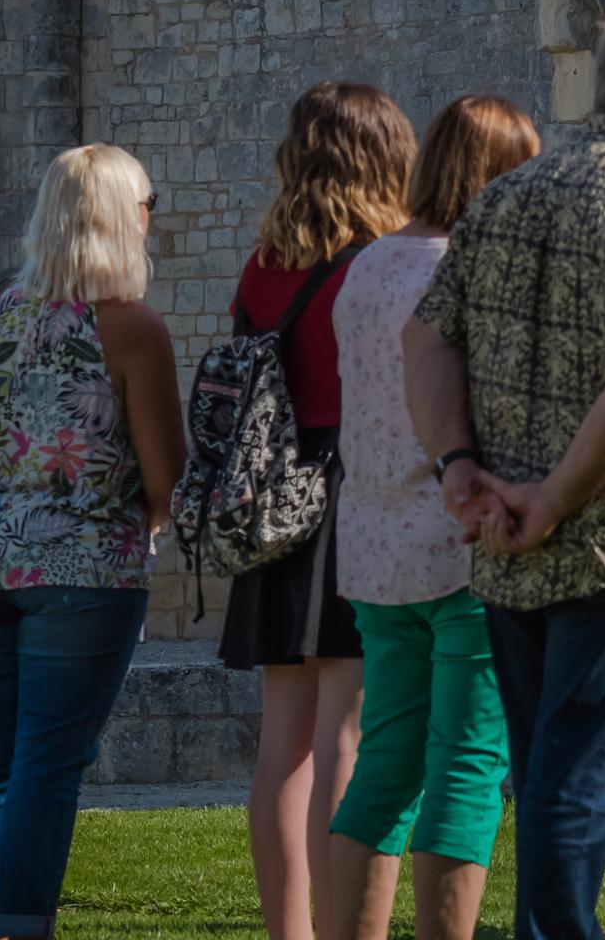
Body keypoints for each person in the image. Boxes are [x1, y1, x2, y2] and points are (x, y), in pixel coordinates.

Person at [404, 8, 605, 940]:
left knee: (549, 770)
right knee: (576, 776)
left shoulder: (508, 195)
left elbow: (425, 332)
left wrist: (460, 468)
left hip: (506, 534)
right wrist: (551, 499)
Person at [0, 143, 185, 940]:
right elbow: (165, 475)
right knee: (48, 761)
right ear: (122, 217)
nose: (152, 217)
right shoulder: (131, 328)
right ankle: (21, 928)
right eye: (147, 203)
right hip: (83, 570)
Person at [325, 95, 541, 940]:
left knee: (385, 761)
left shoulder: (367, 266)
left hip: (374, 548)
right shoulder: (474, 266)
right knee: (467, 763)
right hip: (462, 542)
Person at [221, 81, 418, 940]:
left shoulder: (265, 263)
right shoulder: (383, 259)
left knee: (283, 749)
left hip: (273, 508)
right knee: (347, 736)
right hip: (350, 497)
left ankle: (288, 934)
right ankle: (346, 930)